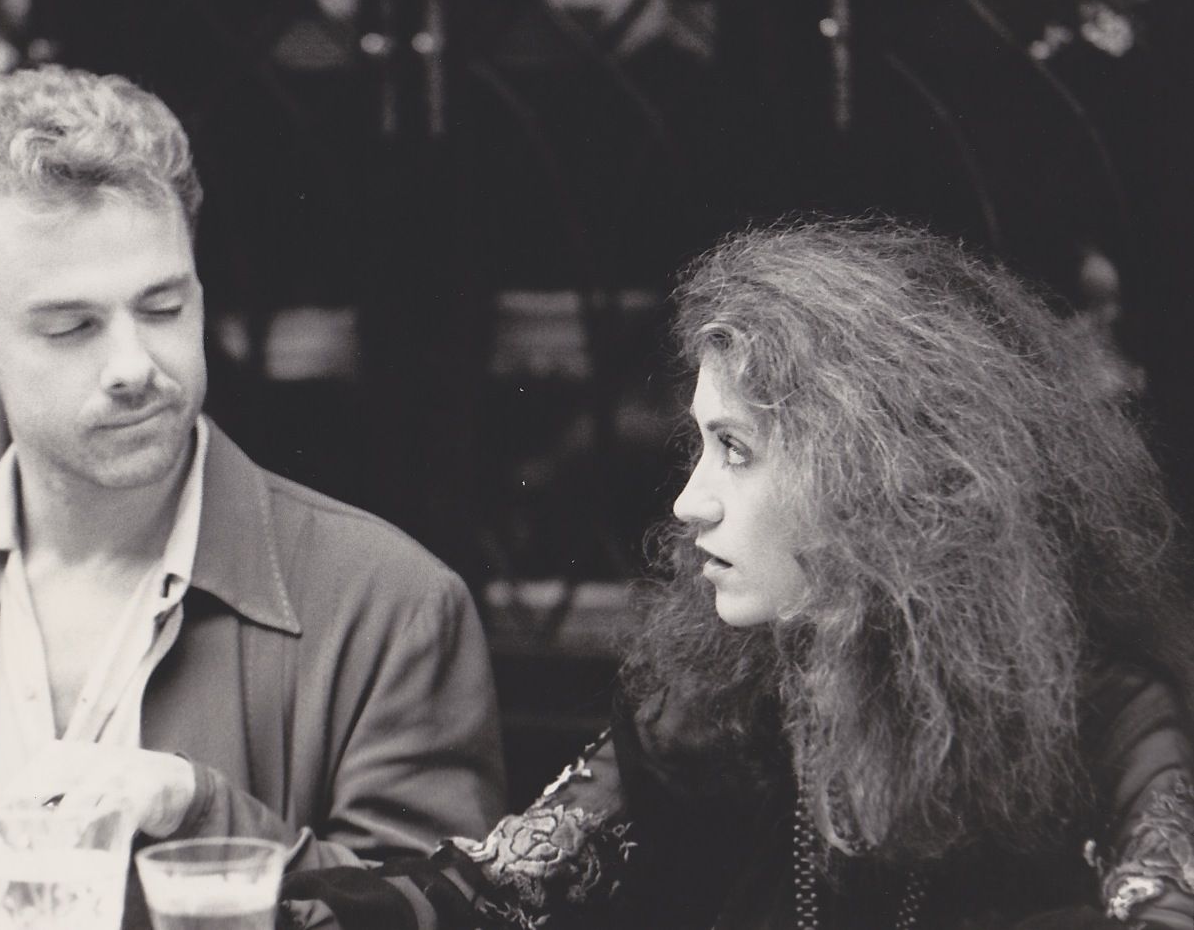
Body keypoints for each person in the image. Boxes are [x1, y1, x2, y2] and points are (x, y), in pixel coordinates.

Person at [278, 219, 1194, 929]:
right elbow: (497, 888)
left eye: (736, 448)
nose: (688, 501)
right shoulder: (702, 706)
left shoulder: (1108, 715)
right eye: (700, 444)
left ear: (876, 477)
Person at [0, 65, 505, 916]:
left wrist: (199, 810)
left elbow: (445, 910)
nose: (134, 365)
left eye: (163, 307)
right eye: (72, 327)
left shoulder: (393, 602)